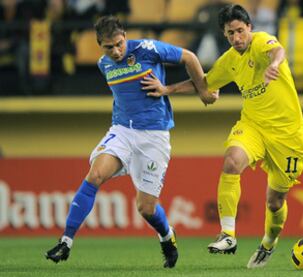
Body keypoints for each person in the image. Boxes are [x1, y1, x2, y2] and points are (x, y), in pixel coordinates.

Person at [142, 4, 303, 269]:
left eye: (240, 31)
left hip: (288, 136)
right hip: (253, 126)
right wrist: (166, 89)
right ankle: (228, 234)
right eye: (230, 33)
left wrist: (274, 65)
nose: (237, 38)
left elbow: (278, 51)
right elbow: (204, 82)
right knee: (231, 161)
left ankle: (268, 242)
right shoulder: (230, 59)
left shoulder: (262, 42)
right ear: (225, 35)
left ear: (250, 28)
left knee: (275, 202)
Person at [44, 15, 212, 268]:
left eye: (120, 44)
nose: (116, 51)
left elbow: (190, 57)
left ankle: (167, 236)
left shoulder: (147, 48)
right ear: (100, 45)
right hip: (122, 130)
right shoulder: (104, 64)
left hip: (154, 136)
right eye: (108, 47)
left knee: (145, 208)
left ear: (125, 36)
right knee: (94, 175)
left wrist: (202, 91)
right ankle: (65, 241)